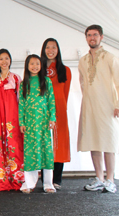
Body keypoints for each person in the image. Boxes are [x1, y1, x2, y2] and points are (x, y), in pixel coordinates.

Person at [79, 25, 119, 193]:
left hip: (108, 107)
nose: (92, 38)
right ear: (86, 38)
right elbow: (83, 83)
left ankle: (110, 180)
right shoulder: (83, 60)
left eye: (95, 35)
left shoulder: (110, 58)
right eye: (89, 35)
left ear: (101, 37)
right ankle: (99, 178)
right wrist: (86, 103)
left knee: (108, 142)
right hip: (90, 107)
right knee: (94, 141)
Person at [0, 49, 24, 191]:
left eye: (7, 58)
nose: (4, 61)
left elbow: (21, 100)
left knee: (14, 146)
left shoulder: (16, 78)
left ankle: (16, 180)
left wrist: (21, 120)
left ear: (10, 60)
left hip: (12, 118)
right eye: (1, 59)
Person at [18, 54, 57, 194]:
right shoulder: (24, 84)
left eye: (37, 63)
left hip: (44, 123)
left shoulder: (46, 81)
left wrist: (52, 118)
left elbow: (51, 101)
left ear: (41, 66)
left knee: (46, 152)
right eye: (32, 63)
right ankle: (29, 183)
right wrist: (21, 122)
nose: (35, 66)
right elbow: (21, 104)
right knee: (30, 152)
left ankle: (48, 184)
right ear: (27, 66)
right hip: (29, 123)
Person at [40, 38, 72, 190]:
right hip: (40, 110)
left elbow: (65, 93)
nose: (50, 50)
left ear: (58, 50)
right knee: (42, 142)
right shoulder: (37, 68)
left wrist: (59, 108)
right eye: (48, 47)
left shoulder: (65, 70)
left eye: (53, 47)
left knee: (58, 144)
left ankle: (56, 179)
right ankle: (44, 179)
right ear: (43, 49)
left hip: (59, 109)